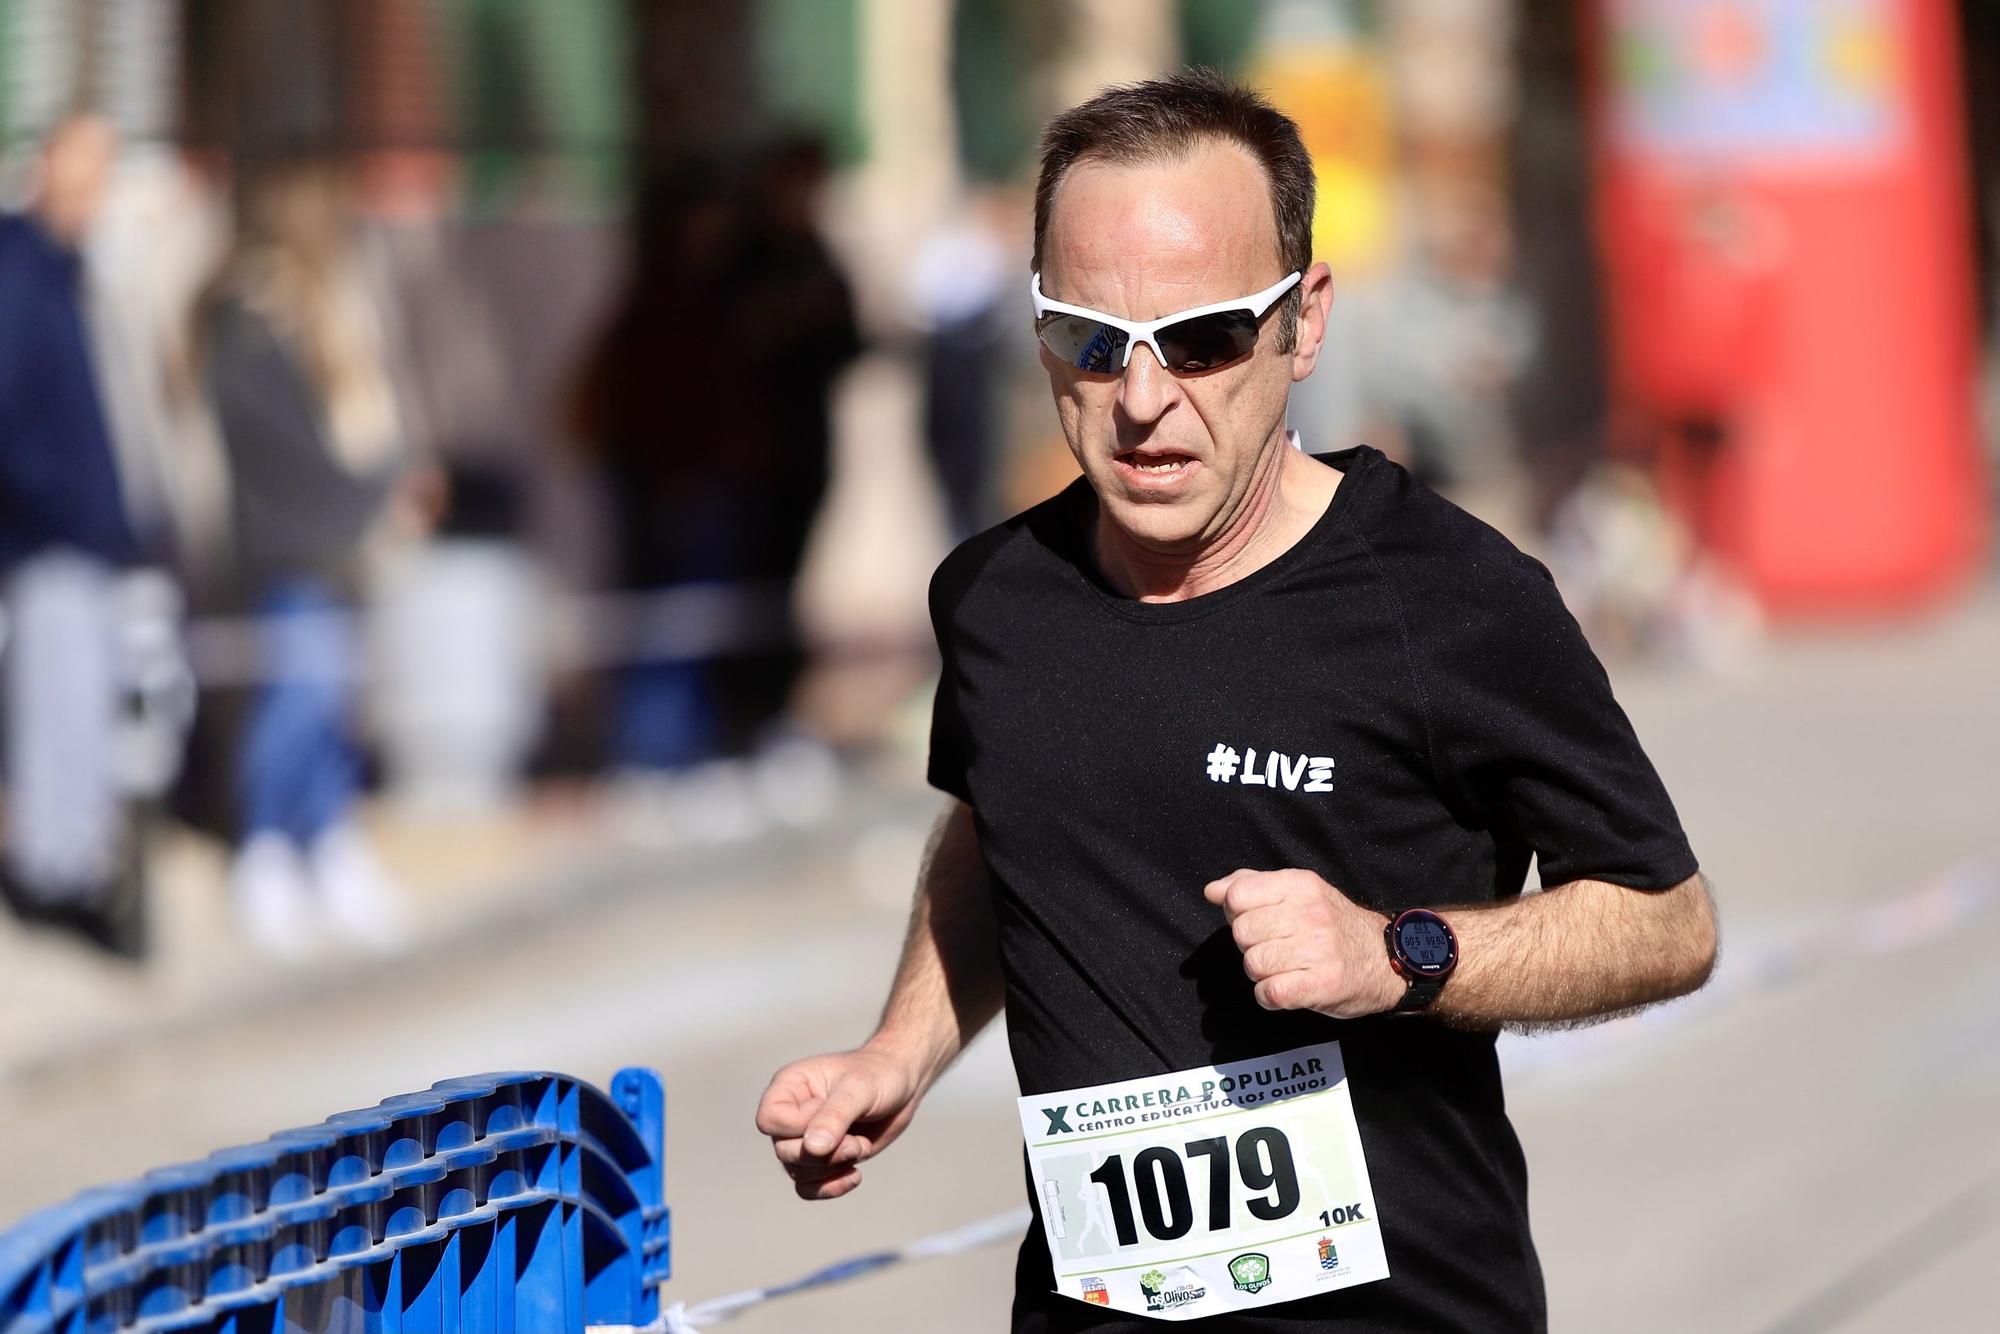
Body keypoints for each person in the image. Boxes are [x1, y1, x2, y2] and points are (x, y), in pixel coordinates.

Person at [758, 70, 1715, 1331]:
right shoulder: (994, 600)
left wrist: (1397, 952)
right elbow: (1006, 826)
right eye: (1090, 342)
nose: (1143, 400)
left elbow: (1667, 918)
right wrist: (899, 1049)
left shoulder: (1450, 599)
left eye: (1203, 338)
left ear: (1301, 323)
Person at [193, 158, 412, 959]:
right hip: (292, 546)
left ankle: (327, 840)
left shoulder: (321, 309)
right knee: (295, 699)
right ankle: (268, 846)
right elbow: (278, 451)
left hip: (335, 545)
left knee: (330, 704)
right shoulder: (251, 317)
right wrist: (358, 498)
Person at [0, 114, 147, 956]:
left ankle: (75, 876)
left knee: (84, 721)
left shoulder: (72, 272)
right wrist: (55, 504)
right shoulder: (21, 273)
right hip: (47, 541)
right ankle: (53, 887)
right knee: (53, 723)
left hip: (85, 538)